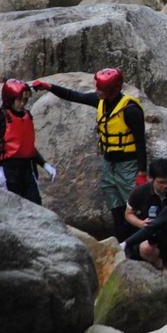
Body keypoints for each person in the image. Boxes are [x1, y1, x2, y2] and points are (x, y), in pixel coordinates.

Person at [30, 69, 147, 239]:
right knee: (115, 206)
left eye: (101, 89)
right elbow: (74, 95)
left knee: (134, 207)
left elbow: (140, 142)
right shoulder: (100, 101)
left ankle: (139, 244)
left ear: (112, 90)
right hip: (109, 164)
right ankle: (122, 242)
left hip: (127, 165)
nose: (97, 91)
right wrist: (49, 87)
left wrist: (142, 173)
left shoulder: (130, 110)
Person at [0, 79, 56, 204]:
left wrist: (44, 164)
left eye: (25, 100)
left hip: (27, 169)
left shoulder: (27, 116)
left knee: (36, 204)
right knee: (12, 208)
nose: (22, 103)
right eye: (19, 100)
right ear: (9, 99)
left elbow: (28, 147)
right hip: (7, 170)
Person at [124, 157, 167, 273]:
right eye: (161, 182)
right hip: (149, 233)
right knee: (146, 248)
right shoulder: (139, 193)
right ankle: (160, 267)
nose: (165, 186)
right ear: (151, 179)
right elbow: (128, 214)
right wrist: (141, 223)